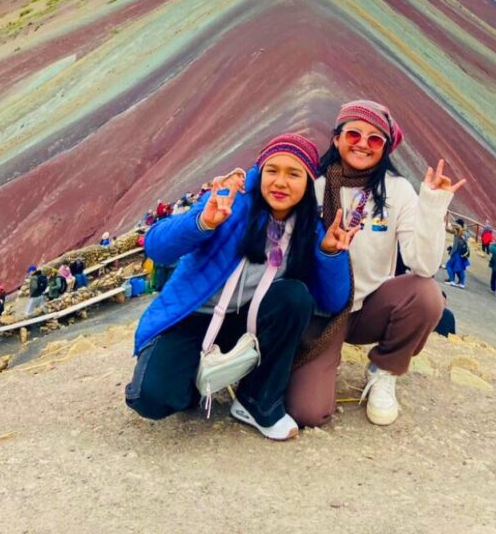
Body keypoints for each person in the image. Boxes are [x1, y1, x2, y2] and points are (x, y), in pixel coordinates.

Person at [126, 133, 353, 441]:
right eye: (272, 171)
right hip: (195, 317)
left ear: (308, 181)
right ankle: (190, 381)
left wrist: (330, 254)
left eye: (294, 174)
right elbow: (157, 248)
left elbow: (333, 301)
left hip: (249, 322)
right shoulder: (229, 203)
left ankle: (257, 402)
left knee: (295, 297)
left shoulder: (309, 230)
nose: (280, 182)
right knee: (152, 399)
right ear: (259, 172)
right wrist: (202, 222)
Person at [286, 99, 465, 428]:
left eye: (374, 139)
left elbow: (423, 266)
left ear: (385, 147)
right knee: (307, 413)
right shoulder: (315, 186)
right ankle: (323, 360)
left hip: (370, 308)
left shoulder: (397, 191)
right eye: (354, 134)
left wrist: (432, 205)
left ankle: (385, 370)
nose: (363, 145)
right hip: (321, 310)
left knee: (426, 295)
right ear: (337, 138)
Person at [445, 223, 470, 288]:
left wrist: (451, 253)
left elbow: (455, 247)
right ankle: (462, 283)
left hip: (456, 254)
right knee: (460, 269)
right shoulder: (465, 236)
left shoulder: (457, 235)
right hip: (462, 254)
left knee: (449, 265)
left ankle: (452, 281)